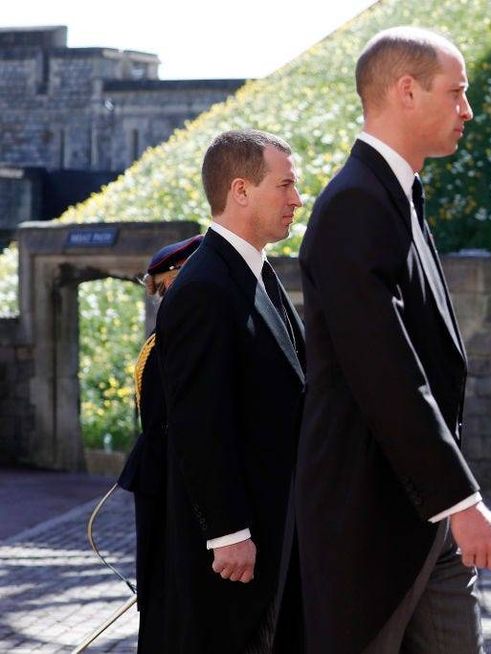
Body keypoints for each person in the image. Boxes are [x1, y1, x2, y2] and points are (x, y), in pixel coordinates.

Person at [295, 26, 491, 654]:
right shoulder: (355, 204)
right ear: (407, 91)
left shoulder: (397, 195)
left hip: (423, 514)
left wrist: (451, 502)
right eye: (457, 92)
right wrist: (460, 500)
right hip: (370, 517)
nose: (467, 110)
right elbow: (384, 369)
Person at [153, 128, 306, 653]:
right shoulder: (204, 287)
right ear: (241, 190)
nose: (296, 199)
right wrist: (228, 532)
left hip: (276, 524)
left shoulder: (253, 271)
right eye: (285, 185)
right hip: (237, 548)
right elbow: (199, 421)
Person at [117, 233, 202, 653]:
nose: (165, 297)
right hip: (160, 473)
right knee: (160, 585)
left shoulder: (173, 333)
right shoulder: (169, 335)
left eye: (168, 287)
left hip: (166, 472)